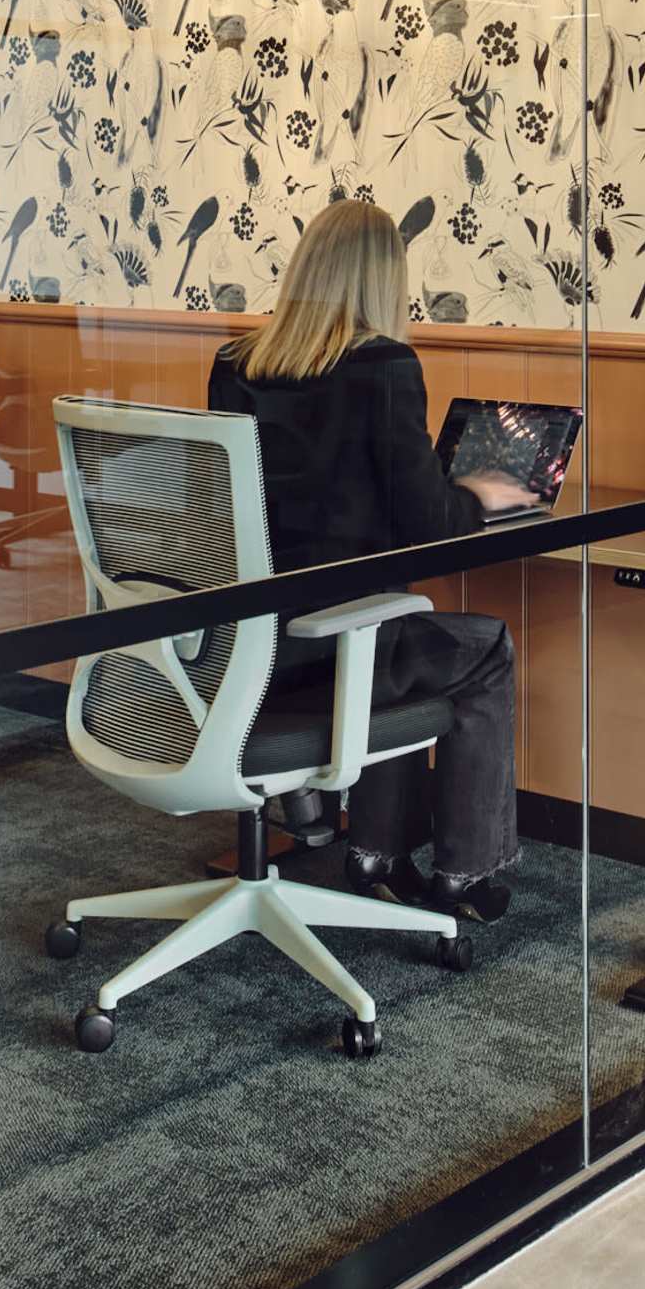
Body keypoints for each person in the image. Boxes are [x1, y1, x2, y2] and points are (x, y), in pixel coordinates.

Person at [208, 199, 531, 919]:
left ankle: (380, 853)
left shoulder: (236, 363)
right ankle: (464, 871)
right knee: (480, 650)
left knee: (392, 637)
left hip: (249, 646)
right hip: (335, 650)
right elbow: (433, 528)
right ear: (383, 279)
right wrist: (477, 493)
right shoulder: (385, 366)